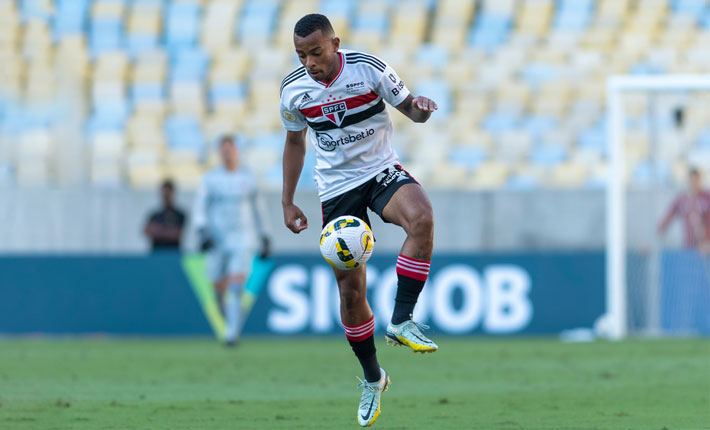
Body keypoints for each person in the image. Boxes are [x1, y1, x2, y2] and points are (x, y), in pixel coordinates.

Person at [279, 14, 438, 427]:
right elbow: (295, 143)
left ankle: (401, 320)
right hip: (335, 190)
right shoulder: (293, 90)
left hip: (380, 170)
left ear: (335, 42)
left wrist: (420, 108)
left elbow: (410, 110)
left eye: (316, 51)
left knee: (421, 217)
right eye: (301, 55)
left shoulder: (368, 67)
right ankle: (373, 378)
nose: (310, 62)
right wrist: (287, 200)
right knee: (351, 293)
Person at [192, 135, 271, 347]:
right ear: (219, 153)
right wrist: (202, 231)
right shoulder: (210, 179)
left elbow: (259, 210)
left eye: (230, 149)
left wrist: (265, 236)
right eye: (223, 149)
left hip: (243, 239)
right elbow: (200, 207)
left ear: (237, 151)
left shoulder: (249, 178)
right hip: (217, 240)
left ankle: (231, 334)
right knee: (218, 289)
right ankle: (231, 322)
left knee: (236, 286)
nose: (227, 153)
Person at [658, 168, 710, 251]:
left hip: (706, 248)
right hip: (689, 247)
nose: (694, 184)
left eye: (696, 180)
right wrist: (653, 237)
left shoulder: (707, 197)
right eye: (691, 181)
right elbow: (667, 218)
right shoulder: (681, 200)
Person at [143, 179, 186, 252]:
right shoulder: (154, 215)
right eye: (164, 194)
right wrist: (168, 230)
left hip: (172, 254)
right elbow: (147, 231)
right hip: (156, 254)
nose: (166, 196)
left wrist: (157, 230)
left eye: (168, 194)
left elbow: (176, 234)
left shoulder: (180, 215)